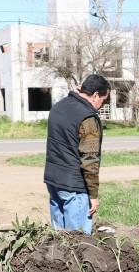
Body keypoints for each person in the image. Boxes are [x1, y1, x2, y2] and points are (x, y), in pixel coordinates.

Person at [44, 74, 111, 234]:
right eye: (104, 100)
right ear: (95, 95)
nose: (102, 106)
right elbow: (90, 160)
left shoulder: (59, 106)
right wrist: (93, 195)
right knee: (78, 243)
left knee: (59, 240)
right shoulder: (87, 117)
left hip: (53, 182)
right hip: (74, 187)